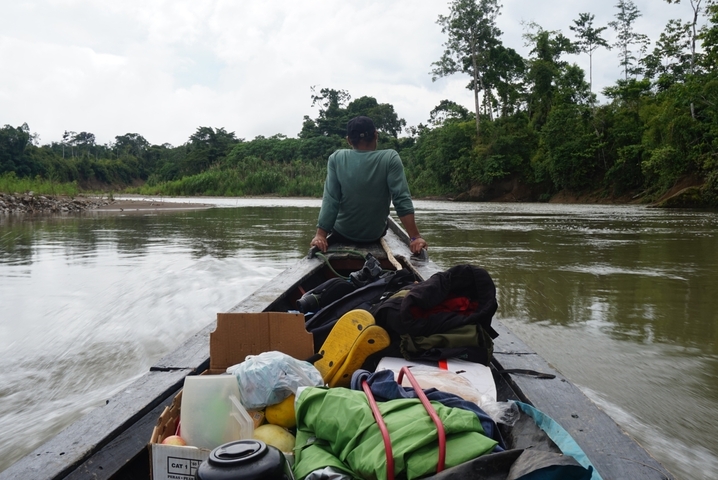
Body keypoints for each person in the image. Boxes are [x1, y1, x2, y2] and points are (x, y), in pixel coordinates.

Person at [310, 116, 428, 255]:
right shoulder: (390, 158)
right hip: (375, 234)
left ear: (348, 140)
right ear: (375, 135)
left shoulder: (336, 158)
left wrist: (321, 235)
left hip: (342, 233)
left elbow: (331, 200)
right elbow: (401, 199)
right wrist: (415, 238)